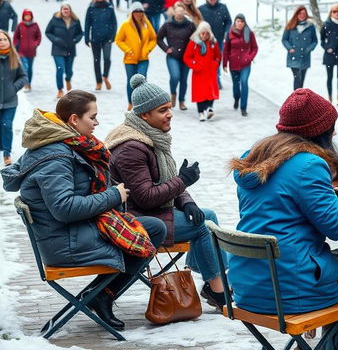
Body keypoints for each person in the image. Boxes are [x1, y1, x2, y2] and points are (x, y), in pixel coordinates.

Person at [228, 88, 338, 350]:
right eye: (331, 128)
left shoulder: (254, 157)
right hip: (290, 292)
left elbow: (279, 205)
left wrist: (326, 195)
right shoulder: (309, 164)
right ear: (319, 131)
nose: (333, 134)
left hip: (249, 287)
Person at [1, 91, 166, 330]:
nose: (97, 123)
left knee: (144, 225)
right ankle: (102, 294)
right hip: (64, 243)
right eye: (93, 117)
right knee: (152, 230)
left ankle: (100, 294)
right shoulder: (55, 157)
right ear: (74, 120)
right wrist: (113, 196)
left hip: (67, 233)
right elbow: (65, 209)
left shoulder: (59, 145)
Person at [105, 74, 226, 310]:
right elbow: (147, 197)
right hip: (135, 219)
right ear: (144, 114)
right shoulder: (132, 147)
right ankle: (218, 290)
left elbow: (166, 180)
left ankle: (214, 282)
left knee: (206, 214)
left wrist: (187, 201)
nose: (170, 114)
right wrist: (183, 181)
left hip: (149, 212)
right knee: (204, 227)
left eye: (169, 108)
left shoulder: (150, 137)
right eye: (162, 110)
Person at [115, 2, 157, 110]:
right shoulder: (126, 25)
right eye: (136, 12)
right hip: (130, 59)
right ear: (132, 13)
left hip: (143, 58)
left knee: (142, 80)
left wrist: (148, 49)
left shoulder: (147, 24)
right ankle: (131, 102)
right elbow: (119, 40)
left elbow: (153, 38)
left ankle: (141, 102)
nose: (138, 14)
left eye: (140, 11)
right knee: (131, 81)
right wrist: (127, 50)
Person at [157, 2, 196, 111]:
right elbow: (159, 38)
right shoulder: (168, 24)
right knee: (175, 76)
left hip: (186, 56)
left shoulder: (190, 25)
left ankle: (181, 101)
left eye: (181, 11)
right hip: (172, 55)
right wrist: (166, 48)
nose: (179, 13)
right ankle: (173, 94)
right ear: (174, 11)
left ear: (184, 12)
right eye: (177, 11)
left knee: (183, 79)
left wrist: (193, 51)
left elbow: (195, 39)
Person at [183, 21, 221, 121]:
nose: (204, 35)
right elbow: (187, 57)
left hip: (210, 71)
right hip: (198, 72)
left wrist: (215, 64)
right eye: (202, 33)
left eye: (206, 33)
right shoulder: (193, 42)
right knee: (199, 93)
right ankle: (200, 112)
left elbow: (218, 56)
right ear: (199, 33)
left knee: (210, 90)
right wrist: (194, 65)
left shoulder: (213, 42)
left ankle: (209, 108)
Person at [0, 30, 27, 165]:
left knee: (6, 125)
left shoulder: (14, 58)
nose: (2, 42)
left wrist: (14, 87)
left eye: (5, 39)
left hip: (10, 101)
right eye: (0, 40)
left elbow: (23, 76)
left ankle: (6, 153)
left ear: (9, 42)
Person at [223, 13, 258, 117]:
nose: (240, 23)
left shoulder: (249, 33)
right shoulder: (229, 33)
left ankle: (243, 107)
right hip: (233, 63)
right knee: (236, 85)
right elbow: (226, 50)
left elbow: (255, 48)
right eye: (238, 21)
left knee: (244, 82)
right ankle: (236, 98)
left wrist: (249, 57)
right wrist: (224, 64)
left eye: (242, 21)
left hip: (245, 64)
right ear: (235, 22)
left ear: (244, 22)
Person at [45, 3, 83, 98]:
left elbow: (80, 33)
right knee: (60, 68)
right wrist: (55, 39)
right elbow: (47, 32)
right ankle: (60, 89)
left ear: (70, 10)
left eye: (67, 9)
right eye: (64, 9)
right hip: (58, 49)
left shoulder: (75, 21)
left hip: (71, 49)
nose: (66, 11)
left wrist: (76, 40)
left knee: (69, 70)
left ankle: (68, 79)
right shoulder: (55, 20)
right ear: (61, 10)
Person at [85, 0, 117, 92]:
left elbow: (114, 23)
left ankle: (105, 76)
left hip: (107, 38)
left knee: (107, 59)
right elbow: (87, 24)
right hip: (95, 38)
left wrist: (113, 36)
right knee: (96, 60)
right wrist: (86, 38)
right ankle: (98, 82)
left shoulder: (110, 7)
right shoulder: (91, 8)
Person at [199, 0, 231, 88]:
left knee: (216, 60)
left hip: (219, 39)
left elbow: (229, 21)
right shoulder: (201, 9)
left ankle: (217, 80)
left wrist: (227, 31)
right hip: (205, 40)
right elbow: (197, 23)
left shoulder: (223, 8)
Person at [281, 5, 317, 91]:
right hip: (294, 56)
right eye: (300, 13)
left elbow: (315, 41)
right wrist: (290, 48)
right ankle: (296, 99)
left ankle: (299, 99)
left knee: (301, 80)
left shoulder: (310, 26)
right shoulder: (290, 25)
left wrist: (309, 49)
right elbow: (284, 39)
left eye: (304, 13)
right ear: (296, 14)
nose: (302, 15)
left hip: (305, 56)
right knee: (297, 78)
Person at [13, 9, 41, 91]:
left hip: (31, 52)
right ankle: (25, 84)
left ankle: (29, 83)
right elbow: (16, 37)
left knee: (29, 68)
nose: (27, 17)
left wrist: (35, 44)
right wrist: (16, 44)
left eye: (29, 15)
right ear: (23, 16)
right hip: (21, 51)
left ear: (31, 16)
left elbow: (38, 36)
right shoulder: (20, 25)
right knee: (25, 68)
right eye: (26, 15)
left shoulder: (35, 25)